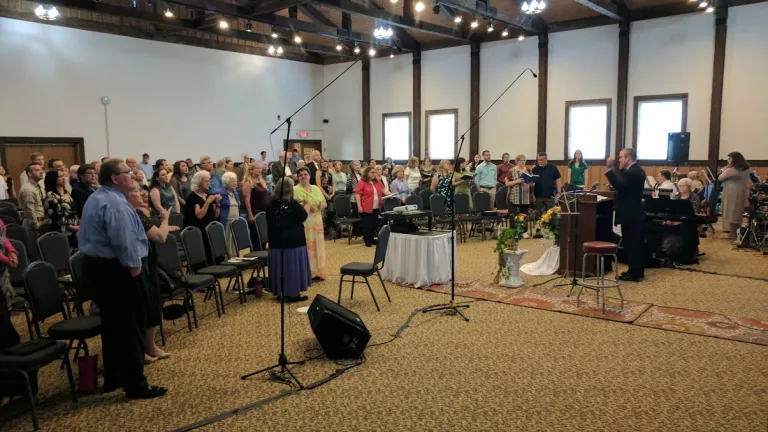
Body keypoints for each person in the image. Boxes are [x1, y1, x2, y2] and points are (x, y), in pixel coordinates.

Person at [78, 158, 167, 399]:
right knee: (130, 328)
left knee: (114, 327)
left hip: (100, 270)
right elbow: (123, 242)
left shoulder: (99, 197)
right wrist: (135, 270)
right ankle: (135, 384)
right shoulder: (115, 204)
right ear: (115, 178)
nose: (134, 175)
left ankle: (115, 377)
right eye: (128, 172)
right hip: (116, 272)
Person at [127, 185, 174, 364]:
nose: (141, 196)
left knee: (153, 303)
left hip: (149, 261)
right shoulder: (136, 215)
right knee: (145, 305)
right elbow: (160, 237)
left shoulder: (141, 213)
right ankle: (144, 349)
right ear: (128, 197)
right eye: (137, 193)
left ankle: (150, 346)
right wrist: (166, 220)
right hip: (141, 263)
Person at [266, 178, 310, 302]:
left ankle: (280, 292)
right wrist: (306, 205)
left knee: (280, 268)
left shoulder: (271, 205)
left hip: (276, 242)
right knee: (292, 268)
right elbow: (303, 216)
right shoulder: (292, 204)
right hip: (293, 242)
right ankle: (293, 293)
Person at [605, 148, 646, 282]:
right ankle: (635, 271)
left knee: (633, 243)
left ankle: (634, 273)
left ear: (629, 158)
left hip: (632, 213)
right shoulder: (632, 170)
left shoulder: (635, 172)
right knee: (631, 243)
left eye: (622, 157)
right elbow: (622, 178)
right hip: (631, 212)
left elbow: (619, 184)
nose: (619, 160)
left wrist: (610, 168)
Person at [294, 167, 327, 280]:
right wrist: (305, 205)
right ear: (298, 177)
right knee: (308, 245)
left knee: (318, 245)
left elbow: (324, 202)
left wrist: (323, 205)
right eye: (301, 175)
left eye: (305, 174)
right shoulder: (295, 189)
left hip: (317, 220)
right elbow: (293, 207)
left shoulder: (316, 188)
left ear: (309, 176)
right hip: (305, 221)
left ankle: (318, 271)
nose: (303, 176)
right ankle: (308, 272)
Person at [183, 170, 221, 264]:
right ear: (199, 182)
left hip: (208, 229)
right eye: (206, 181)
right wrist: (207, 202)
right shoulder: (193, 197)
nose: (209, 182)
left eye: (209, 180)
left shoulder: (208, 195)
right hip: (197, 231)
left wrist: (218, 203)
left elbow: (215, 215)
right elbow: (199, 215)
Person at [718, 151, 750, 239]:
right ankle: (735, 232)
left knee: (730, 212)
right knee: (737, 212)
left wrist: (724, 170)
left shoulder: (732, 169)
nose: (728, 160)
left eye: (729, 158)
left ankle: (731, 234)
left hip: (731, 193)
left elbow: (720, 178)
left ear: (734, 159)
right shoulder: (745, 169)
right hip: (741, 192)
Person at [43, 169, 80, 248]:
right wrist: (71, 227)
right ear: (53, 179)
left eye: (64, 176)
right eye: (60, 177)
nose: (64, 178)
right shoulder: (50, 196)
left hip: (75, 227)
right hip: (61, 230)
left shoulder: (67, 193)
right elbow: (55, 217)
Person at [356, 166, 391, 247]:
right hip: (365, 207)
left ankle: (371, 239)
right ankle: (367, 240)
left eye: (374, 172)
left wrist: (391, 194)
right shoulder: (362, 182)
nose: (373, 174)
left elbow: (384, 190)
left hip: (376, 207)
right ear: (367, 173)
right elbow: (357, 195)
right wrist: (359, 206)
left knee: (374, 224)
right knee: (367, 225)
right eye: (372, 172)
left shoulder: (377, 182)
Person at [242, 165, 270, 248]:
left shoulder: (261, 182)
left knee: (264, 236)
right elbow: (247, 200)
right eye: (257, 168)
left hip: (264, 212)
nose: (259, 170)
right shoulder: (248, 184)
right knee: (256, 237)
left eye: (259, 168)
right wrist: (250, 214)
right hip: (255, 212)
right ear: (251, 171)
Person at [215, 171, 241, 255]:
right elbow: (217, 207)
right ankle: (229, 257)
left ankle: (235, 256)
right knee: (227, 240)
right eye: (231, 181)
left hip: (235, 220)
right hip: (226, 221)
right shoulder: (219, 193)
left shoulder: (235, 193)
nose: (234, 183)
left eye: (235, 181)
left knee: (235, 240)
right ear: (226, 182)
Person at [19, 163, 46, 241]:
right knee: (35, 250)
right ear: (29, 173)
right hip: (33, 225)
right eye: (37, 170)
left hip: (40, 222)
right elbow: (30, 211)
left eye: (41, 169)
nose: (41, 172)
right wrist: (37, 226)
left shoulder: (38, 186)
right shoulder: (28, 189)